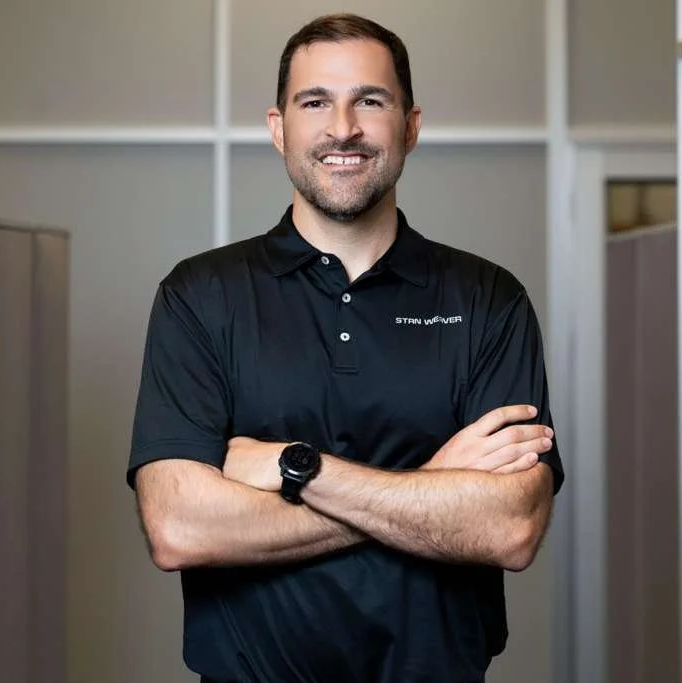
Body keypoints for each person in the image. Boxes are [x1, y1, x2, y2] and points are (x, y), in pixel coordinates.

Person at [126, 13, 564, 683]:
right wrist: (430, 488)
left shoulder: (488, 299)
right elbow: (179, 527)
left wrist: (296, 467)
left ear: (411, 126)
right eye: (316, 102)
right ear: (279, 129)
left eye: (370, 100)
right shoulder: (202, 296)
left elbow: (509, 528)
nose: (343, 128)